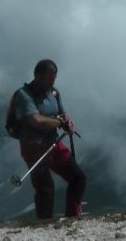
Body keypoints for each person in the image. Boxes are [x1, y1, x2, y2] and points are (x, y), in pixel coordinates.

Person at [13, 59, 86, 219]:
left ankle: (72, 218)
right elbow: (36, 120)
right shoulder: (23, 95)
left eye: (54, 79)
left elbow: (61, 113)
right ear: (37, 76)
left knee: (78, 177)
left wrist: (67, 121)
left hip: (53, 143)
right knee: (45, 187)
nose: (51, 83)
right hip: (33, 147)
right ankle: (44, 227)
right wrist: (59, 122)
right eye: (49, 79)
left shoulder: (54, 93)